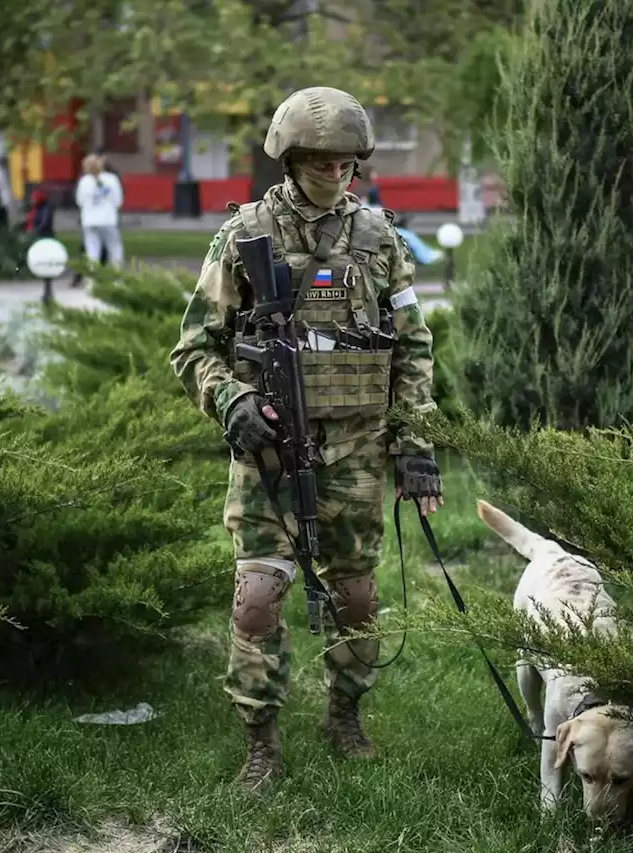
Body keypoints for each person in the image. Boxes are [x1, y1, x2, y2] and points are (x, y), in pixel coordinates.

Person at [168, 86, 443, 790]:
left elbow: (413, 348)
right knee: (259, 596)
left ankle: (343, 714)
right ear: (291, 159)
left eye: (347, 159)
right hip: (268, 449)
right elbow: (194, 346)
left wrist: (415, 443)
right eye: (321, 159)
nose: (336, 171)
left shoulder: (382, 240)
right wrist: (229, 396)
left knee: (355, 597)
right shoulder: (244, 237)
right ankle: (260, 740)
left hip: (356, 449)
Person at [74, 153, 124, 271]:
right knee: (114, 248)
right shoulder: (112, 179)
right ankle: (116, 277)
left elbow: (79, 201)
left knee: (92, 250)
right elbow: (118, 201)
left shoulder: (84, 181)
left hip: (89, 220)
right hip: (108, 219)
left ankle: (92, 280)